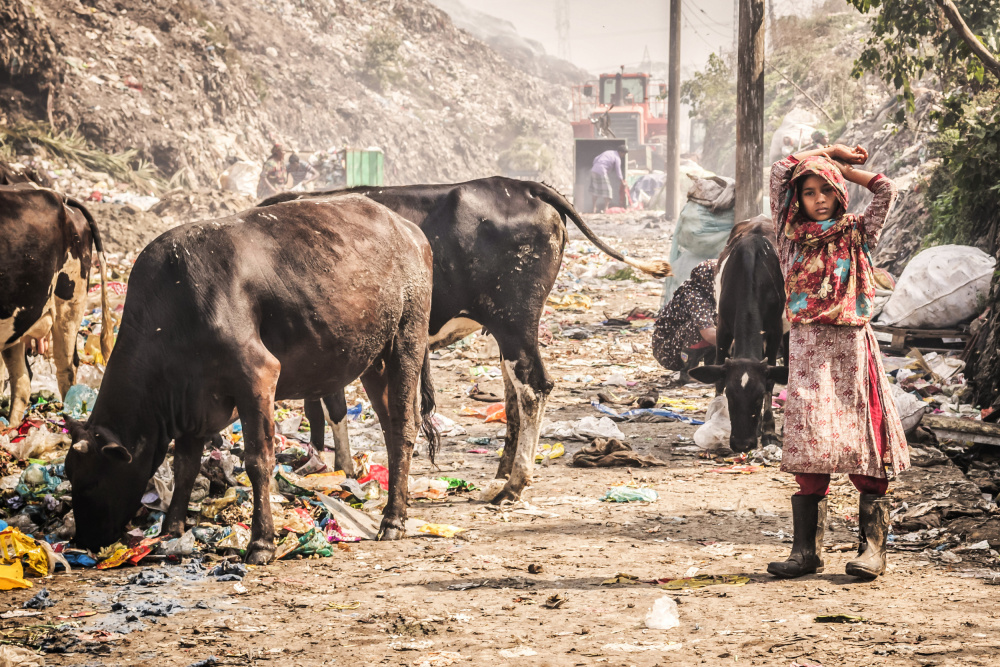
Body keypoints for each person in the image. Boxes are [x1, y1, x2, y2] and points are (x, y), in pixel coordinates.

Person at [766, 143, 909, 581]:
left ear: (838, 191)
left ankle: (872, 551)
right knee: (810, 440)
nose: (819, 197)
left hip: (850, 344)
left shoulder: (857, 231)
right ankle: (805, 552)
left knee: (864, 442)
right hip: (809, 345)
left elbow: (886, 189)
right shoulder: (789, 235)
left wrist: (844, 170)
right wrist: (824, 152)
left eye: (825, 189)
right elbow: (779, 171)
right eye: (808, 191)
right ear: (798, 199)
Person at [651, 259, 718, 382]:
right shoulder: (695, 296)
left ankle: (711, 370)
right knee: (700, 327)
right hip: (667, 351)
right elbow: (708, 334)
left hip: (677, 343)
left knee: (718, 324)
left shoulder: (709, 294)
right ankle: (688, 372)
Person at [590, 147, 627, 213]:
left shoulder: (608, 152)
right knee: (608, 190)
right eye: (624, 154)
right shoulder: (617, 157)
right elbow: (618, 171)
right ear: (621, 152)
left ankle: (594, 209)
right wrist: (622, 182)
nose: (623, 156)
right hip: (602, 171)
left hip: (594, 170)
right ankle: (605, 209)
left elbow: (595, 159)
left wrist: (596, 166)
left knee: (595, 190)